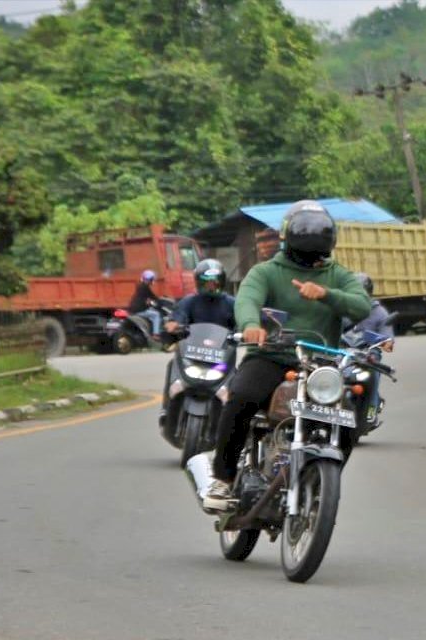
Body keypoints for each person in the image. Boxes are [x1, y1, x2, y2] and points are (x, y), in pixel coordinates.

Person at [202, 200, 371, 513]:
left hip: (319, 365)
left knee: (347, 422)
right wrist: (252, 326)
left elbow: (361, 305)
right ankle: (222, 479)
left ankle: (319, 484)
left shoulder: (339, 276)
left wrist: (326, 294)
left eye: (319, 254)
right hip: (271, 357)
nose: (314, 261)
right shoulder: (266, 272)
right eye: (308, 254)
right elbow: (247, 301)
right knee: (241, 397)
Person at [159, 259, 237, 428]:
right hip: (193, 353)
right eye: (207, 281)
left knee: (240, 378)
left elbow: (244, 321)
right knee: (172, 365)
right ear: (199, 282)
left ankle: (231, 419)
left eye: (215, 281)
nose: (211, 285)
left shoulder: (231, 303)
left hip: (221, 355)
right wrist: (173, 324)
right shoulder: (189, 302)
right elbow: (178, 317)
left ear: (222, 281)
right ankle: (166, 407)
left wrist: (249, 330)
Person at [344, 272, 394, 430]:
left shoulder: (380, 313)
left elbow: (388, 339)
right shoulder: (343, 309)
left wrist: (385, 343)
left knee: (374, 374)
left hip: (368, 353)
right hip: (343, 352)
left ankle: (370, 411)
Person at [128, 270, 164, 337]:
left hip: (134, 309)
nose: (152, 281)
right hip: (138, 310)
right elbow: (152, 296)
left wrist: (151, 303)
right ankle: (156, 334)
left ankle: (152, 329)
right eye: (151, 279)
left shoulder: (140, 286)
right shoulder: (145, 287)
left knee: (152, 311)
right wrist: (159, 302)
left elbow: (147, 299)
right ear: (149, 280)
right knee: (157, 315)